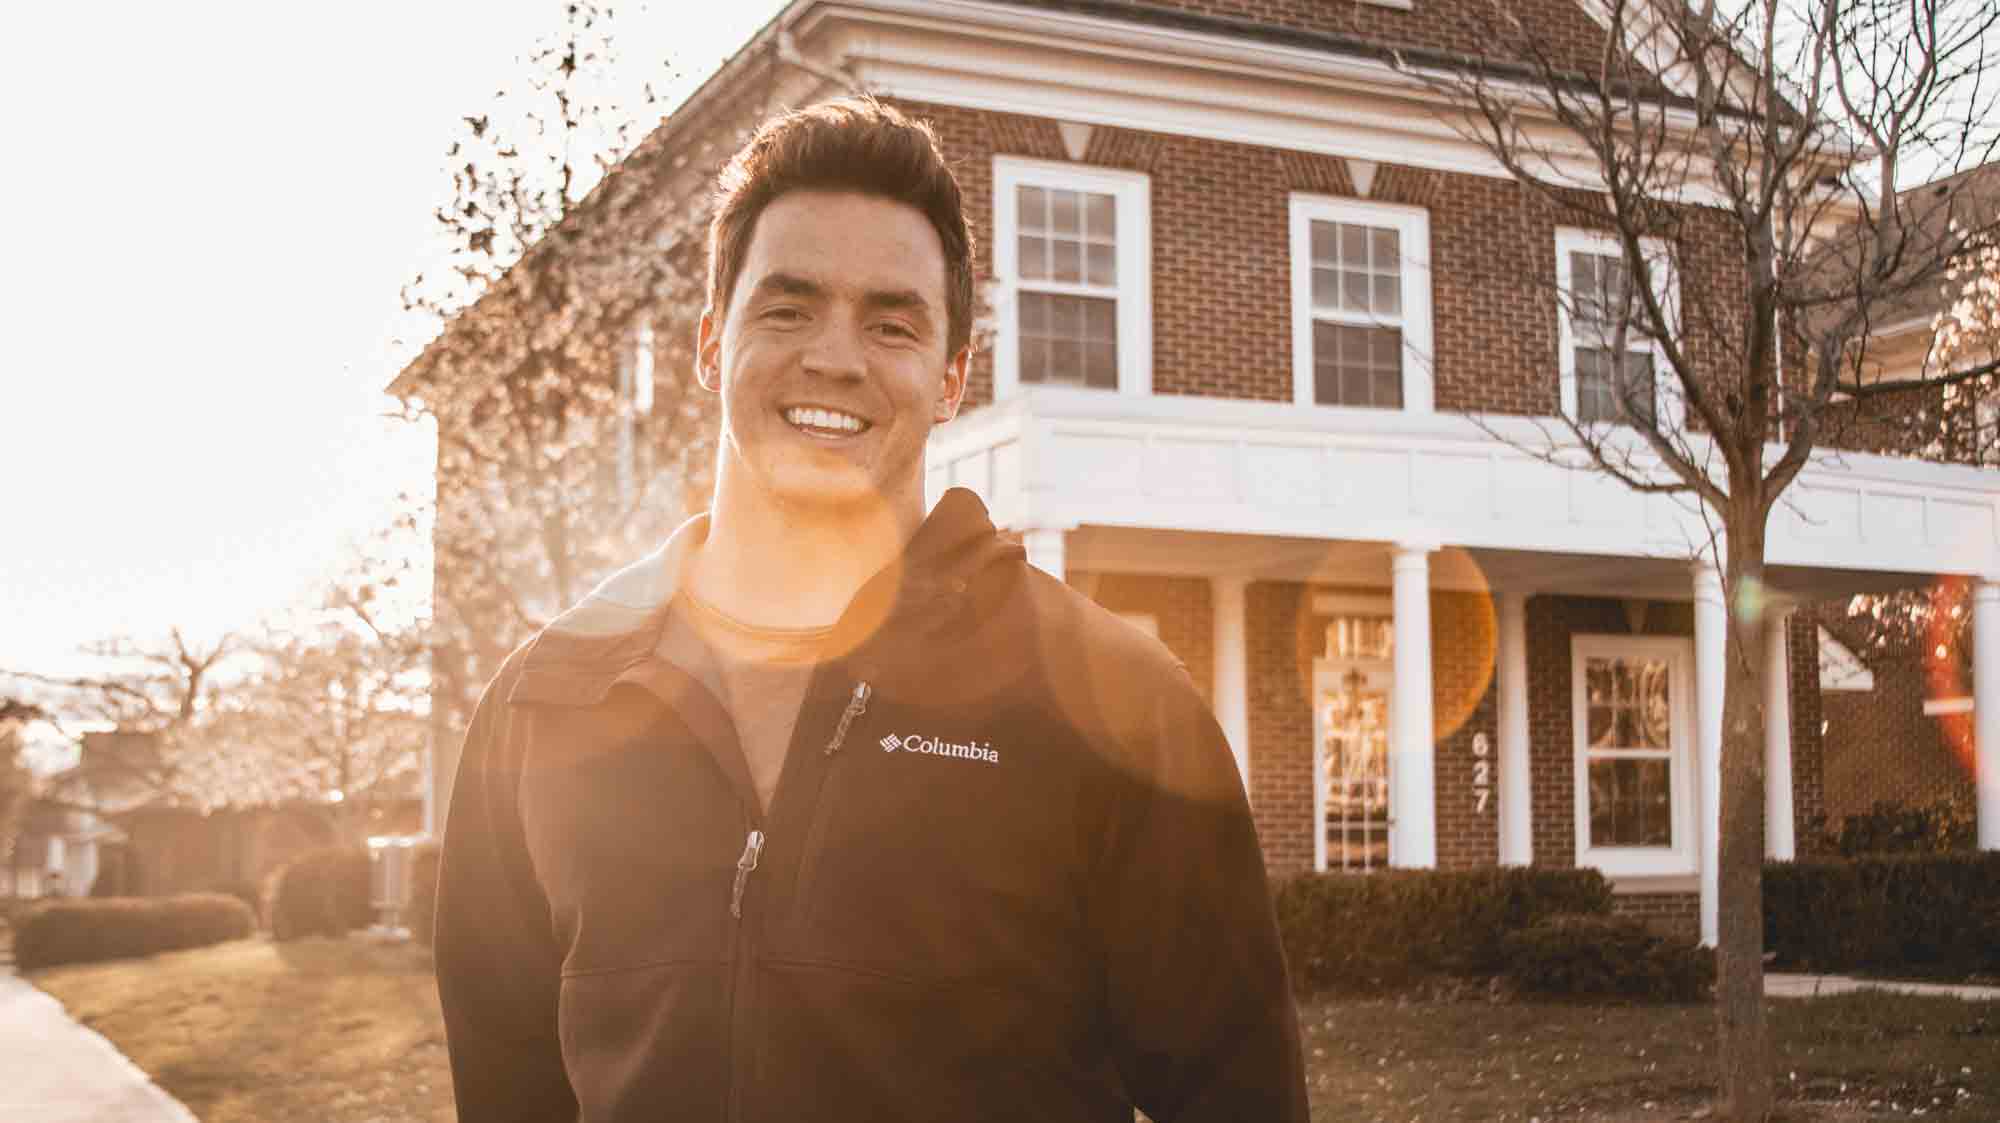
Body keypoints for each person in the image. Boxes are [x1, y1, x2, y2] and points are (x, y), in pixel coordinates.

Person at [433, 96, 1308, 1122]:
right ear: (711, 345)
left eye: (890, 322)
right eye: (787, 308)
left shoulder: (1118, 708)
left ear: (950, 378)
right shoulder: (545, 704)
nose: (836, 359)